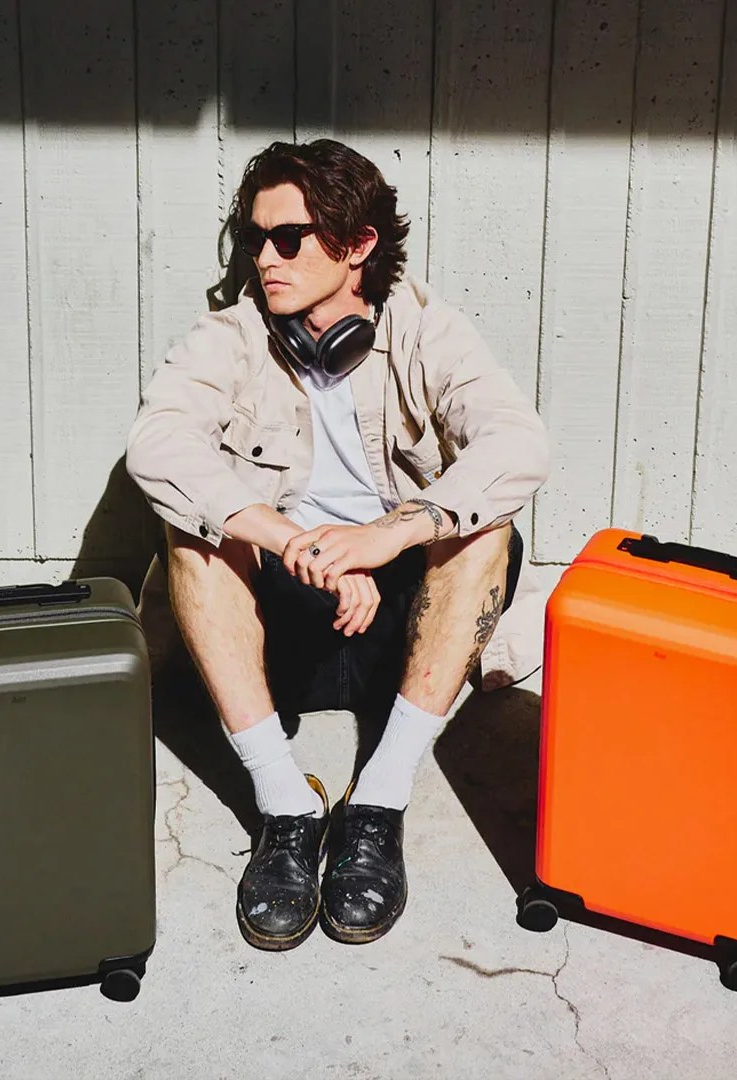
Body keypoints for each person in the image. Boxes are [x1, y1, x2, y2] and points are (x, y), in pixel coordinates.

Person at [125, 139, 550, 951]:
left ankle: (378, 800)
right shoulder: (235, 335)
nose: (265, 258)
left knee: (482, 534)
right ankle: (286, 804)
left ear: (358, 247)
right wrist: (292, 542)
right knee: (192, 538)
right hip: (281, 608)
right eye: (255, 238)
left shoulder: (430, 332)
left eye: (290, 238)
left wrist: (382, 538)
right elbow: (157, 443)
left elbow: (519, 445)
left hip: (400, 614)